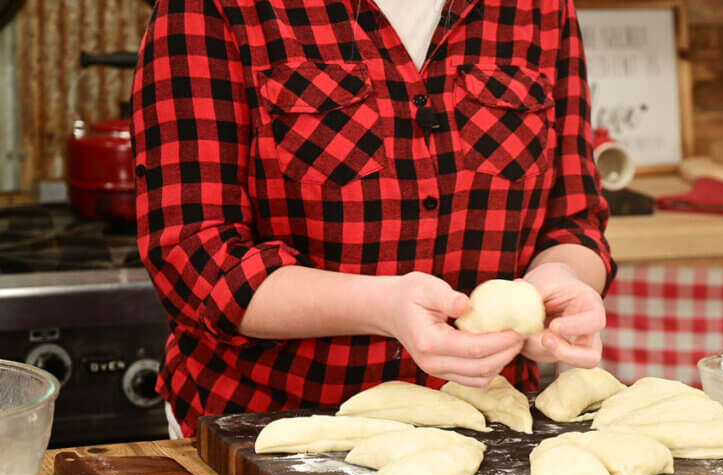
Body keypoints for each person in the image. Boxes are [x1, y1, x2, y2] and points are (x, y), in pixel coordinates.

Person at [131, 0, 615, 438]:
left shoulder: (541, 8)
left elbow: (573, 221)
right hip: (268, 430)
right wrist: (383, 306)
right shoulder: (216, 8)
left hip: (491, 432)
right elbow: (193, 256)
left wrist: (560, 284)